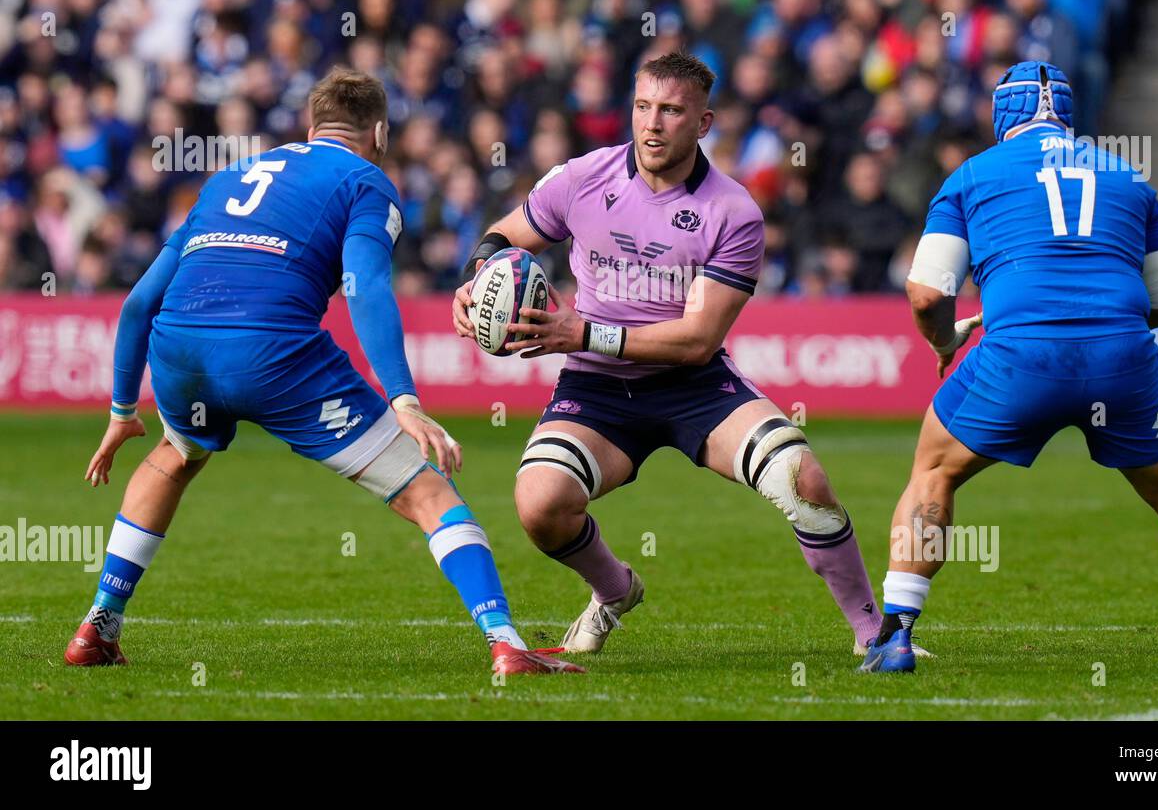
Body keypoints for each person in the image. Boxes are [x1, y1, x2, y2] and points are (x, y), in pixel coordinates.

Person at [66, 67, 582, 677]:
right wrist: (404, 399)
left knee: (174, 457)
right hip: (272, 354)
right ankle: (505, 643)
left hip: (178, 347)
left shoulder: (226, 177)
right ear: (380, 132)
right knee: (427, 491)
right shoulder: (367, 181)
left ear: (310, 126)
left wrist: (122, 412)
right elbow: (364, 287)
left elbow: (137, 302)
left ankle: (99, 623)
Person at [861, 60, 1158, 678]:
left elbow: (927, 294)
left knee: (933, 471)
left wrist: (943, 341)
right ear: (1069, 111)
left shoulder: (972, 176)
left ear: (1000, 113)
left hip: (1019, 359)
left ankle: (896, 635)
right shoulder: (1128, 177)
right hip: (1120, 356)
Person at [452, 51, 884, 657]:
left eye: (672, 111)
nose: (652, 124)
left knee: (802, 478)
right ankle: (614, 588)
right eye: (642, 107)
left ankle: (874, 635)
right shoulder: (579, 178)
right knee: (539, 505)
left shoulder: (733, 212)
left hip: (695, 385)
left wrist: (582, 334)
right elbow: (501, 236)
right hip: (598, 390)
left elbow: (697, 340)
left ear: (703, 123)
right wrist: (474, 281)